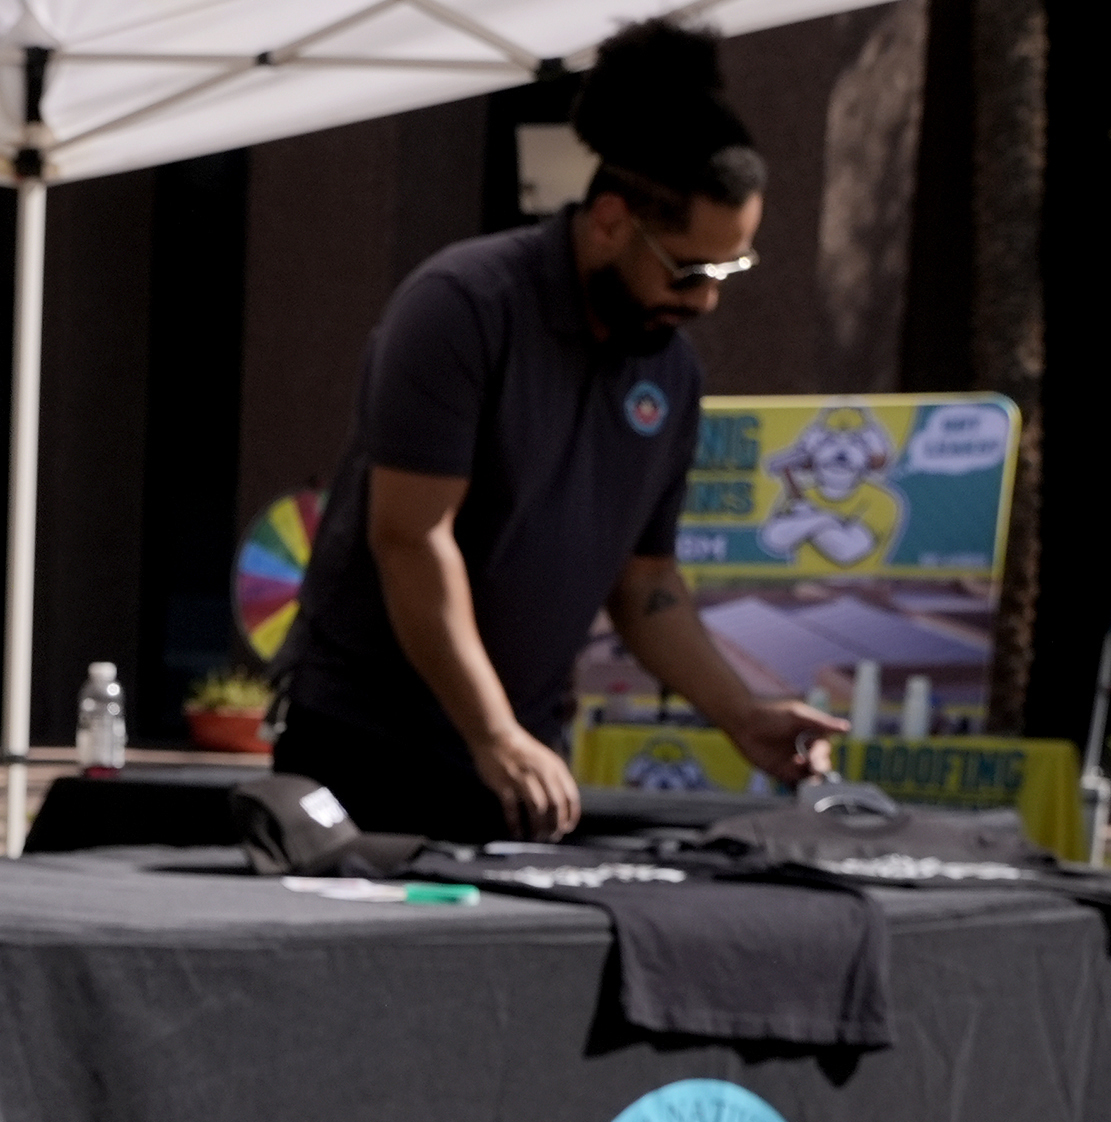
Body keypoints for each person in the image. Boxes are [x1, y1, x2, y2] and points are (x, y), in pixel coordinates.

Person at [273, 24, 838, 843]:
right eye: (689, 269)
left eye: (728, 273)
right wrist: (491, 731)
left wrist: (740, 716)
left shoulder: (670, 372)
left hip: (519, 759)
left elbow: (646, 587)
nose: (705, 301)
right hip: (369, 747)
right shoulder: (463, 306)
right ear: (611, 220)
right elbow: (410, 538)